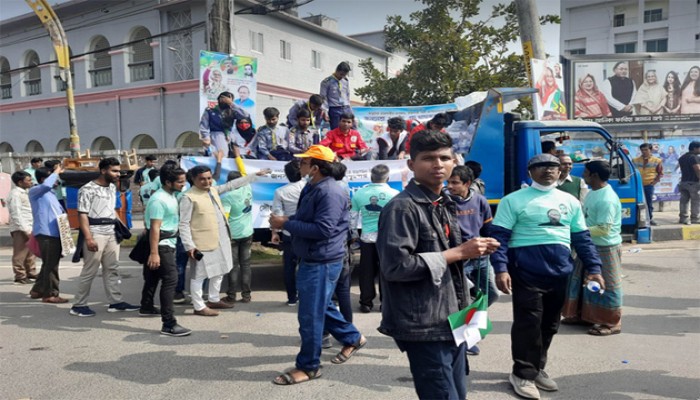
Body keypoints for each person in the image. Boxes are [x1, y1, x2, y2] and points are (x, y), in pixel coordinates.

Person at [376, 130, 500, 399]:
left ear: (454, 161)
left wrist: (473, 251)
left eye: (444, 157)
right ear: (411, 165)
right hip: (424, 324)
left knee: (458, 392)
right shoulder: (402, 208)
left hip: (453, 318)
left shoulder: (443, 202)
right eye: (428, 158)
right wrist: (458, 252)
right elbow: (395, 267)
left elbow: (450, 256)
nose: (438, 164)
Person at [488, 153, 604, 400]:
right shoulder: (513, 200)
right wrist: (501, 269)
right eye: (540, 166)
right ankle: (522, 374)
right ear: (530, 172)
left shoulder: (569, 201)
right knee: (528, 324)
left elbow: (582, 239)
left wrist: (595, 269)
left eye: (553, 166)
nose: (548, 170)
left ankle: (537, 367)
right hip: (525, 272)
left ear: (560, 171)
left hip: (560, 272)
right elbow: (499, 238)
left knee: (550, 324)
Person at [269, 145, 366, 386]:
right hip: (313, 257)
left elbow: (323, 229)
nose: (299, 165)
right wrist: (288, 221)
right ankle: (353, 337)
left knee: (310, 315)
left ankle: (309, 366)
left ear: (315, 167)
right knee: (320, 306)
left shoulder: (330, 191)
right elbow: (307, 219)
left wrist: (285, 223)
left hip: (322, 260)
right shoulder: (313, 186)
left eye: (303, 162)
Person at [70, 158, 139, 317]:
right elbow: (82, 215)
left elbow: (111, 210)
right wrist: (88, 238)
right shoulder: (87, 189)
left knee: (112, 268)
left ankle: (116, 302)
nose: (118, 174)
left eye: (118, 171)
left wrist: (121, 228)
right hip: (95, 232)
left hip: (111, 233)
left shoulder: (111, 188)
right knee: (90, 270)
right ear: (103, 171)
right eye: (114, 171)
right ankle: (79, 305)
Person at [562, 161, 623, 336]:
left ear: (594, 175)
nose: (583, 175)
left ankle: (611, 322)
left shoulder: (607, 199)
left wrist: (578, 230)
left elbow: (604, 228)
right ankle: (583, 315)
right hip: (589, 245)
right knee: (583, 282)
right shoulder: (592, 193)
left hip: (606, 247)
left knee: (607, 285)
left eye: (586, 172)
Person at [446, 165, 499, 357]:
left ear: (467, 184)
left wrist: (490, 246)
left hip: (481, 258)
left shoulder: (480, 201)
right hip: (459, 259)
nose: (449, 186)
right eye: (448, 182)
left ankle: (471, 323)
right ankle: (465, 340)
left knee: (491, 294)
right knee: (463, 300)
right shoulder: (444, 202)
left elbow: (488, 229)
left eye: (454, 183)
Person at [140, 165, 192, 336]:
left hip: (167, 241)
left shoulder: (171, 195)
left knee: (153, 276)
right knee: (171, 280)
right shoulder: (158, 200)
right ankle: (169, 323)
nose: (183, 185)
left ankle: (146, 306)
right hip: (161, 244)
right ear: (168, 182)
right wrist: (154, 253)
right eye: (180, 182)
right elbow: (155, 228)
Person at [179, 165, 234, 317]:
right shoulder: (188, 197)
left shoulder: (213, 190)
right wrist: (189, 246)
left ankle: (214, 299)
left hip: (221, 239)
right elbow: (183, 224)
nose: (206, 181)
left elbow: (231, 185)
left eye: (209, 178)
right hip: (201, 243)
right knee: (199, 275)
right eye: (202, 179)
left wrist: (256, 174)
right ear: (193, 179)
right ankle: (198, 306)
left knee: (221, 269)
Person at [350, 164, 399, 313]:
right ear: (388, 178)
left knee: (366, 272)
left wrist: (353, 235)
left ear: (371, 177)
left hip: (367, 238)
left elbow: (352, 218)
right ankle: (386, 303)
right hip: (388, 238)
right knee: (386, 270)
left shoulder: (359, 194)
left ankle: (366, 302)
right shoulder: (395, 194)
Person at [28, 163, 70, 304]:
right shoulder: (36, 191)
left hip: (55, 233)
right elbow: (46, 185)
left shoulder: (51, 195)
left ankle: (38, 290)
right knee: (52, 265)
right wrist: (56, 171)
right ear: (42, 180)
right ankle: (50, 294)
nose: (57, 180)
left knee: (48, 264)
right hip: (47, 234)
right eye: (54, 178)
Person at [271, 160, 306, 306]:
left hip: (289, 231)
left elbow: (276, 214)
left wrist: (274, 232)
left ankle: (292, 298)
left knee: (289, 267)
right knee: (308, 265)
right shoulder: (309, 187)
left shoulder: (280, 191)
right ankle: (307, 295)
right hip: (306, 231)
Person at [221, 171, 255, 304]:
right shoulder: (248, 188)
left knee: (233, 266)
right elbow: (246, 175)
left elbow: (225, 217)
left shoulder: (227, 197)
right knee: (246, 265)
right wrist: (237, 157)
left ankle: (231, 296)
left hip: (233, 236)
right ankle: (246, 296)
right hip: (247, 233)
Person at [7, 170, 37, 284]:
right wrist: (24, 229)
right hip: (20, 227)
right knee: (20, 253)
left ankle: (31, 272)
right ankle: (20, 275)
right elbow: (16, 213)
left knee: (31, 251)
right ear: (20, 182)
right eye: (28, 180)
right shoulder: (15, 194)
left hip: (30, 224)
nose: (31, 182)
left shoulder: (26, 192)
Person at [199, 91, 250, 156]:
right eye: (222, 98)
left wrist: (232, 103)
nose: (223, 101)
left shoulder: (232, 111)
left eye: (226, 99)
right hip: (216, 136)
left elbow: (245, 115)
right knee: (220, 157)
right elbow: (204, 126)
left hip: (230, 137)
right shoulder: (210, 111)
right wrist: (206, 137)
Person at [633, 143, 663, 225]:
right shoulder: (635, 160)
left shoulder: (657, 161)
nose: (644, 151)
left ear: (651, 150)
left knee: (648, 203)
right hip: (637, 185)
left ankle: (649, 219)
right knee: (637, 203)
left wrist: (654, 182)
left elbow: (660, 173)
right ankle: (637, 219)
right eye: (642, 150)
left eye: (646, 150)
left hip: (649, 185)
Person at [320, 61, 352, 130]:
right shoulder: (327, 81)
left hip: (346, 107)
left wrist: (349, 107)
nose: (342, 77)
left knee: (350, 129)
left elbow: (347, 94)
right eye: (341, 74)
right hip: (335, 108)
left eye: (344, 75)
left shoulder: (345, 80)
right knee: (336, 129)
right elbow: (323, 97)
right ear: (337, 71)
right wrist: (325, 110)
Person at [677, 141, 700, 225]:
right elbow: (697, 169)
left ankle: (683, 218)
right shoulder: (694, 157)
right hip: (693, 183)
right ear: (695, 148)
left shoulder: (682, 157)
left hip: (683, 182)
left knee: (684, 201)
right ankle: (695, 218)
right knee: (696, 201)